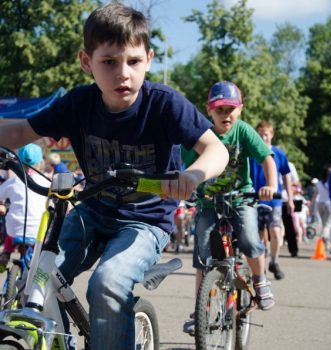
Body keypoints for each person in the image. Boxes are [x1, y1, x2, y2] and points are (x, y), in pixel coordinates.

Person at [0, 4, 229, 350]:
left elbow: (217, 149)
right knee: (39, 277)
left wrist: (193, 175)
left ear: (149, 59)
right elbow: (19, 132)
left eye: (134, 61)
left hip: (145, 222)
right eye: (109, 62)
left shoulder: (164, 104)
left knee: (107, 283)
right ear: (85, 61)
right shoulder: (78, 104)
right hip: (91, 211)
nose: (123, 73)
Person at [183, 81, 278, 335]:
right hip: (207, 202)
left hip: (240, 199)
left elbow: (266, 158)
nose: (226, 114)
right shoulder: (202, 134)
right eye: (220, 109)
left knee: (248, 238)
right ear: (209, 110)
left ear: (241, 110)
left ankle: (260, 280)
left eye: (231, 109)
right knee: (202, 253)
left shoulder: (243, 131)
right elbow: (180, 162)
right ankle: (200, 311)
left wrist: (271, 185)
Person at [250, 120, 294, 280]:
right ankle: (260, 266)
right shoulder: (251, 153)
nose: (263, 138)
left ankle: (274, 261)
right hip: (254, 198)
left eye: (266, 135)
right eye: (260, 135)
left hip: (274, 199)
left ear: (272, 135)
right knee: (258, 235)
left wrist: (289, 199)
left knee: (275, 230)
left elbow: (286, 176)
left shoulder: (279, 153)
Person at [0, 144, 50, 269]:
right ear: (40, 162)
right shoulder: (46, 181)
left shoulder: (14, 181)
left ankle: (6, 252)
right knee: (41, 243)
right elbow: (53, 203)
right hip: (37, 229)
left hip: (15, 227)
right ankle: (38, 260)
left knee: (10, 230)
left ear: (17, 161)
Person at [309, 166, 331, 245]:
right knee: (328, 224)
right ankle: (324, 237)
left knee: (323, 223)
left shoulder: (319, 183)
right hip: (328, 203)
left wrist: (311, 206)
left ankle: (324, 239)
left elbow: (314, 196)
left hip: (319, 203)